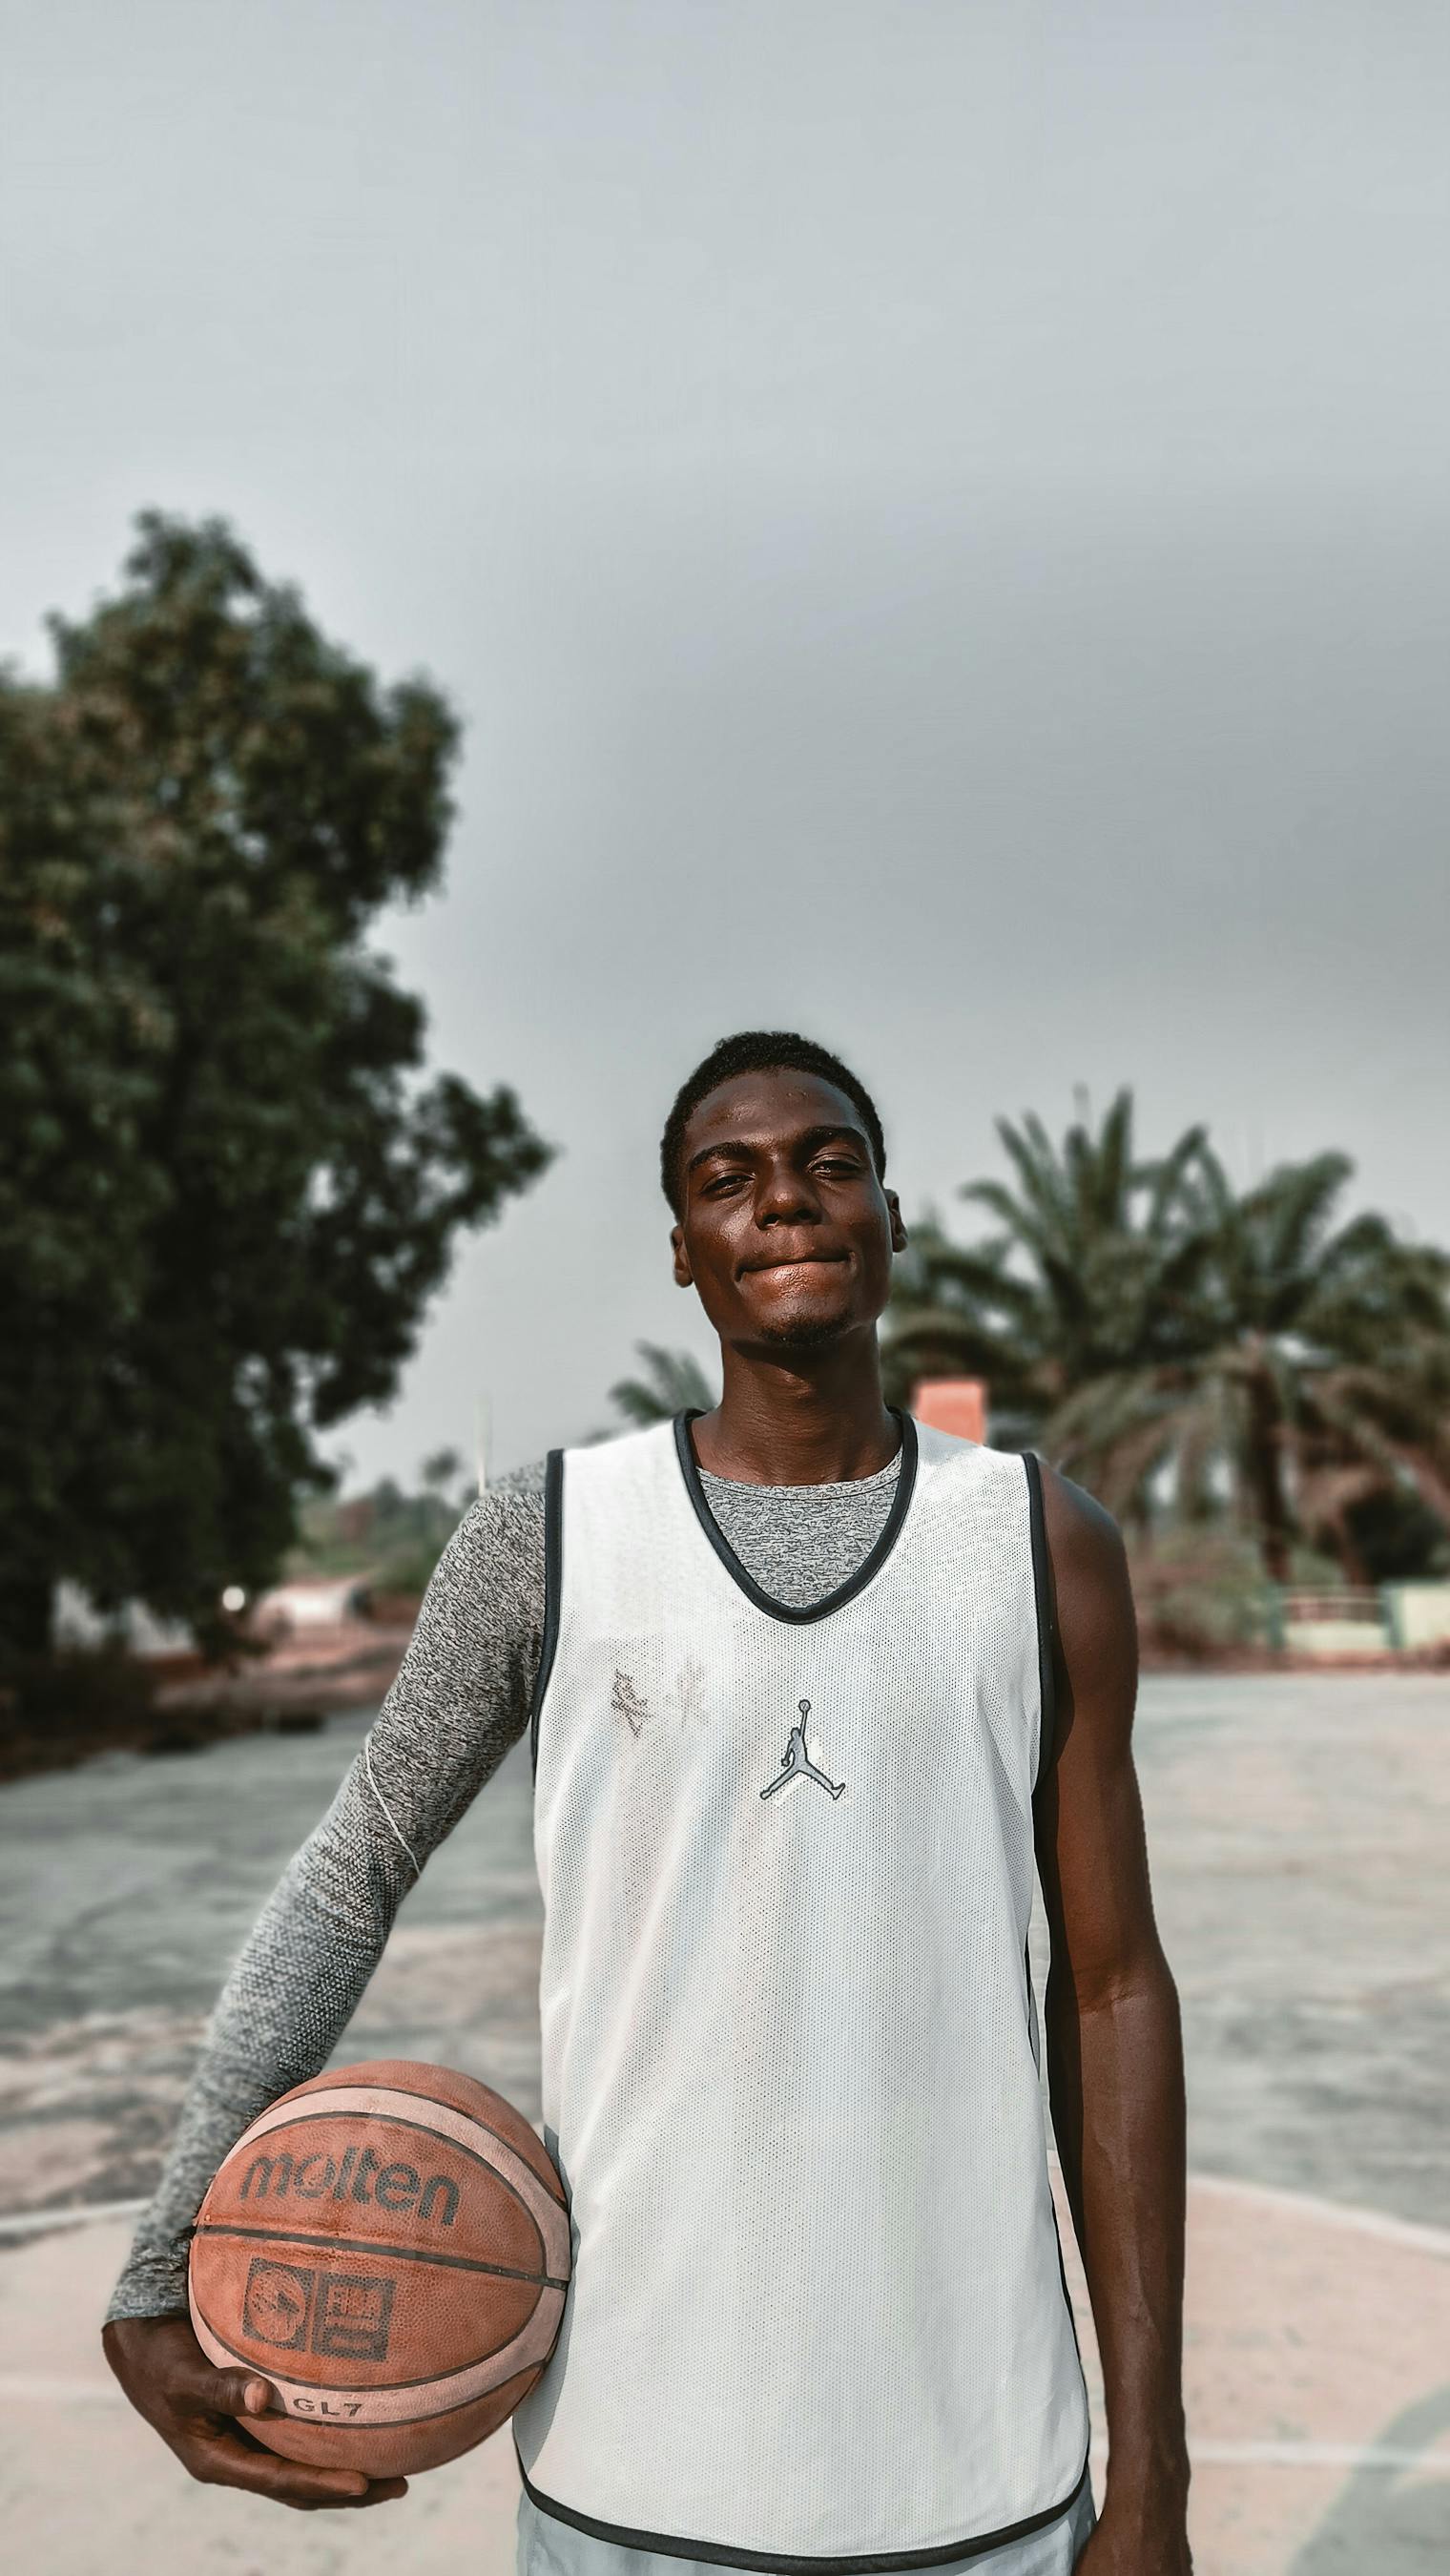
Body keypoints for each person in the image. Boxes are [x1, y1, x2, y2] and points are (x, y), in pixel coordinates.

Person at [104, 1029, 1192, 2575]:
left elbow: (1113, 1987)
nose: (785, 1203)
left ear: (894, 1215)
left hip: (983, 2473)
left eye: (829, 1165)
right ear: (683, 1253)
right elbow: (353, 1875)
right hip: (629, 2477)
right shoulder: (543, 1535)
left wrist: (1152, 2470)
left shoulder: (1037, 1539)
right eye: (726, 1180)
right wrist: (157, 2272)